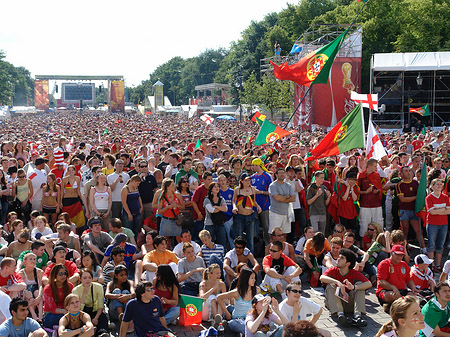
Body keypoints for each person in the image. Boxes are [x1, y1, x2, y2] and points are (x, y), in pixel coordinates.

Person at [320, 248, 371, 327]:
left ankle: (357, 316)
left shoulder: (353, 273)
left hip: (349, 304)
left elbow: (369, 284)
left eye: (342, 258)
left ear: (348, 264)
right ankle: (341, 316)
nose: (338, 259)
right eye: (339, 257)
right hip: (335, 304)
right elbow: (322, 278)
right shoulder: (334, 270)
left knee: (360, 286)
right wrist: (337, 282)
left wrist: (354, 287)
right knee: (331, 285)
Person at [217, 267, 260, 335]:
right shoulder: (237, 292)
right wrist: (227, 313)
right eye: (252, 278)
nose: (254, 280)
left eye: (254, 278)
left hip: (250, 319)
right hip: (237, 320)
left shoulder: (257, 290)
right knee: (233, 323)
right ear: (246, 279)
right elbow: (219, 297)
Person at [377, 245, 419, 309]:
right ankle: (401, 306)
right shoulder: (384, 264)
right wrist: (393, 287)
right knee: (394, 296)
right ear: (391, 253)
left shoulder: (404, 264)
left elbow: (408, 280)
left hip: (401, 291)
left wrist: (413, 288)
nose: (399, 257)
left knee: (415, 296)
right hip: (386, 291)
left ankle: (399, 306)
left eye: (401, 255)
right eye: (397, 254)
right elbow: (381, 282)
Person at [72, 269, 109, 335]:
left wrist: (96, 318)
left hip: (95, 311)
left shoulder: (98, 287)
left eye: (89, 278)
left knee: (102, 317)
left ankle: (102, 333)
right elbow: (78, 309)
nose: (87, 280)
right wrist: (84, 293)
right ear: (80, 279)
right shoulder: (75, 290)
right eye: (85, 278)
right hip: (82, 313)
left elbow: (101, 305)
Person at [232, 173, 261, 253]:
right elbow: (234, 201)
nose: (248, 182)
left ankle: (250, 260)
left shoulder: (252, 189)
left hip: (250, 216)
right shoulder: (237, 190)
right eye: (246, 180)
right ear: (241, 181)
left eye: (249, 180)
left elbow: (253, 201)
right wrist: (234, 207)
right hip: (240, 216)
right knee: (239, 237)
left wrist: (258, 206)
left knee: (250, 239)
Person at [425, 178, 450, 272]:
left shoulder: (445, 197)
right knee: (431, 244)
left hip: (444, 224)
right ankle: (431, 265)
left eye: (440, 184)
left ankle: (438, 265)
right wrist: (443, 210)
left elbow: (449, 211)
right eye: (437, 184)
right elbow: (431, 212)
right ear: (432, 186)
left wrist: (438, 211)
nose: (439, 186)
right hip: (432, 224)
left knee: (440, 245)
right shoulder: (429, 197)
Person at [358, 158, 383, 239]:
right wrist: (366, 192)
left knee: (378, 223)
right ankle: (364, 242)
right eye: (375, 166)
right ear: (369, 166)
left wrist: (377, 191)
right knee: (364, 223)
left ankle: (379, 241)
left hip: (376, 204)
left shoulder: (377, 175)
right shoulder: (361, 176)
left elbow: (380, 188)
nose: (376, 168)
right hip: (365, 204)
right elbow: (357, 191)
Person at [43, 264, 74, 328]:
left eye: (64, 273)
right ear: (54, 275)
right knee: (66, 318)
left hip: (67, 313)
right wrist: (64, 312)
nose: (63, 276)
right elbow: (53, 308)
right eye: (60, 274)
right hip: (51, 315)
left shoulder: (70, 286)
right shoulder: (48, 288)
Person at [268, 168, 296, 235]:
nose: (282, 174)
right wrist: (287, 196)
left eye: (283, 173)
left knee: (285, 234)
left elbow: (293, 199)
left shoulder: (288, 185)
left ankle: (283, 245)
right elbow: (277, 198)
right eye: (280, 173)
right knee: (274, 234)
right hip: (275, 213)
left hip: (286, 213)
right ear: (276, 175)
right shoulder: (273, 185)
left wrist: (281, 197)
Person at [251, 158, 272, 244]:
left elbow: (271, 192)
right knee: (254, 227)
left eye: (254, 165)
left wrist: (260, 192)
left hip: (265, 206)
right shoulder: (252, 177)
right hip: (254, 206)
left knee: (266, 227)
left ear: (258, 165)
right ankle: (256, 245)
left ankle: (268, 245)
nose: (252, 167)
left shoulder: (267, 176)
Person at [18, 252, 44, 322]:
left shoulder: (39, 271)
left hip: (35, 289)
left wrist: (39, 296)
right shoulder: (21, 273)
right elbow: (23, 287)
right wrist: (31, 298)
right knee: (28, 293)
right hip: (26, 291)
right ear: (25, 261)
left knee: (37, 293)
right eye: (30, 259)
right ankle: (34, 315)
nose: (33, 261)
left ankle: (40, 315)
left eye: (34, 259)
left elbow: (40, 285)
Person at [204, 182, 228, 249]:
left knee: (222, 243)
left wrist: (216, 207)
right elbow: (211, 210)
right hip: (209, 224)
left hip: (220, 223)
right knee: (209, 243)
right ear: (211, 189)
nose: (217, 188)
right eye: (215, 186)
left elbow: (225, 209)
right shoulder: (207, 199)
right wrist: (220, 208)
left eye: (218, 186)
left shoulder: (221, 199)